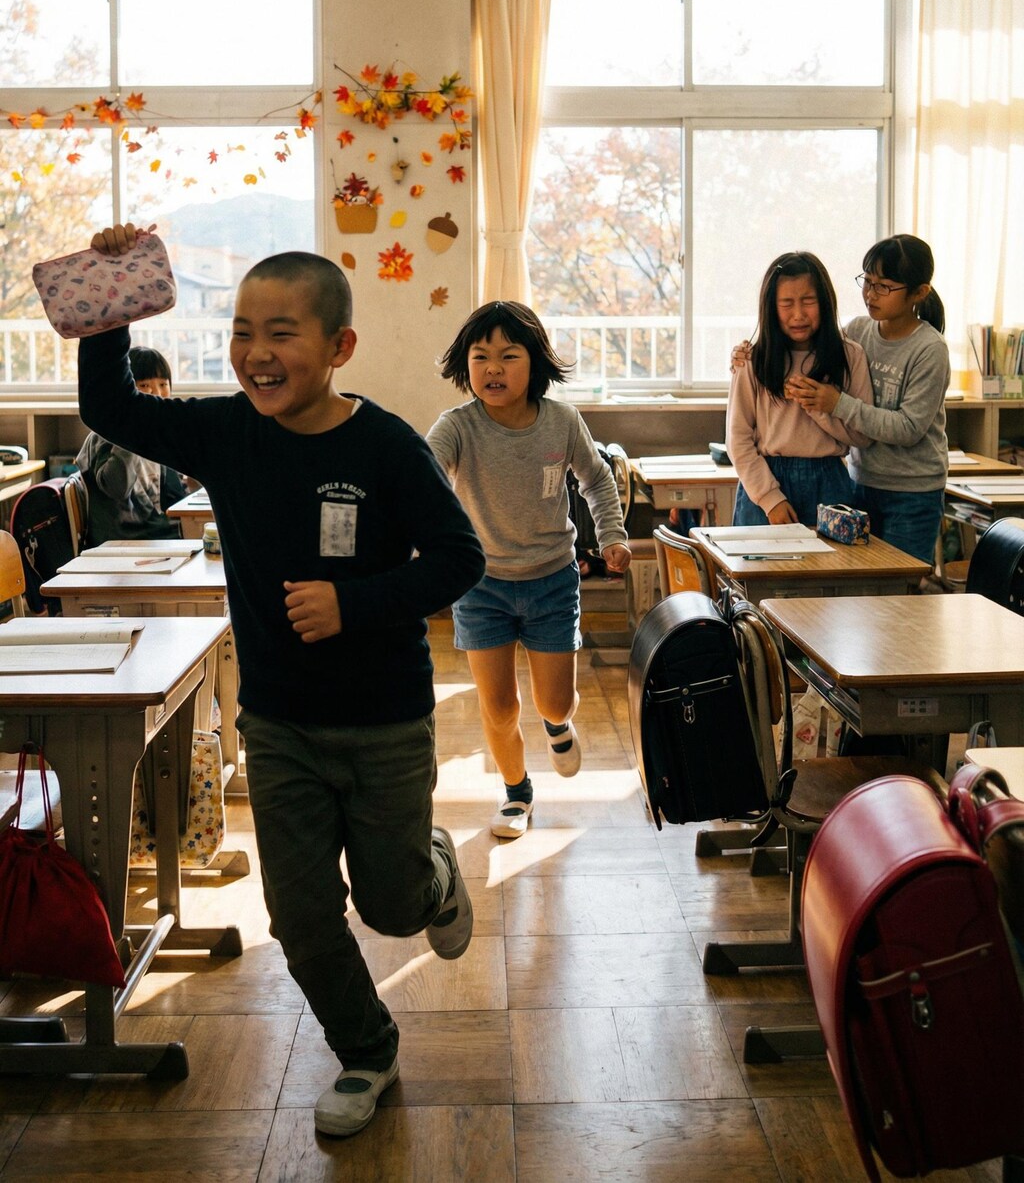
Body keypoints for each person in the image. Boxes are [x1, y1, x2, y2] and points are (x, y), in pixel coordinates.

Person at [77, 223, 485, 1141]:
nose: (256, 354)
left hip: (384, 721)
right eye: (242, 333)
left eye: (282, 333)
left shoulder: (385, 447)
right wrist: (109, 300)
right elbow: (110, 407)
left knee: (387, 903)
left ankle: (430, 870)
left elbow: (462, 557)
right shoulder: (226, 433)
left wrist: (357, 603)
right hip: (279, 723)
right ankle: (367, 1051)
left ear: (339, 347)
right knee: (300, 916)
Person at [427, 300, 631, 841]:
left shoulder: (561, 421)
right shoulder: (456, 427)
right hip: (481, 586)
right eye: (480, 356)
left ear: (534, 362)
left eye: (508, 355)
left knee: (552, 700)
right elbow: (425, 473)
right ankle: (517, 794)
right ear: (464, 366)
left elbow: (598, 480)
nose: (492, 368)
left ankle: (559, 726)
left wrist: (611, 536)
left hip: (551, 581)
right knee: (497, 707)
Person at [782, 234, 949, 565]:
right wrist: (747, 352)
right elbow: (804, 347)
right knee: (861, 588)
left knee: (901, 593)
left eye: (884, 286)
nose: (870, 294)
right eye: (867, 281)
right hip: (860, 483)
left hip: (913, 494)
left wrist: (838, 404)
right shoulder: (858, 330)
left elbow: (908, 428)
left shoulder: (930, 349)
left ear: (919, 292)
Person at [727, 251, 873, 529]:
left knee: (831, 571)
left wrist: (822, 407)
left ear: (825, 302)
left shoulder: (850, 356)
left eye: (808, 301)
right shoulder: (752, 359)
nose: (798, 315)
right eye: (786, 303)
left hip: (830, 481)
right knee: (762, 570)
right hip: (765, 482)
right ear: (771, 307)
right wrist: (771, 499)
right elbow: (738, 440)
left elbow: (862, 437)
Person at [76, 345, 190, 546]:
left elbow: (175, 497)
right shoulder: (105, 435)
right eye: (145, 385)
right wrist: (129, 432)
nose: (157, 393)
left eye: (163, 384)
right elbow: (117, 488)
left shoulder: (156, 433)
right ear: (124, 390)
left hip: (158, 535)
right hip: (125, 543)